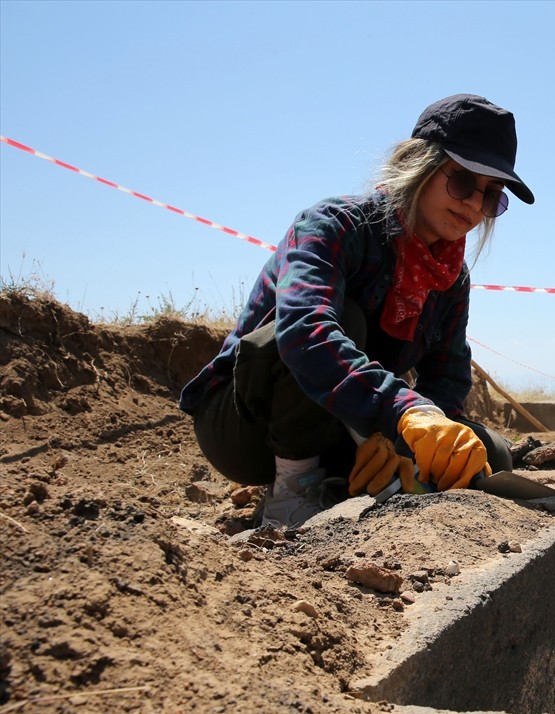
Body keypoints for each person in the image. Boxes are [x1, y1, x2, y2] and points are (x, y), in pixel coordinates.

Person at [178, 94, 534, 529]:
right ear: (417, 163)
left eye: (492, 196)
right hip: (244, 425)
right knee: (343, 320)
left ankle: (348, 481)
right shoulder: (333, 224)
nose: (475, 206)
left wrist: (405, 446)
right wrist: (404, 413)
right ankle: (294, 489)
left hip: (345, 425)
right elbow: (304, 331)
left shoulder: (451, 277)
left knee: (486, 453)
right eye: (462, 182)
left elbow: (448, 378)